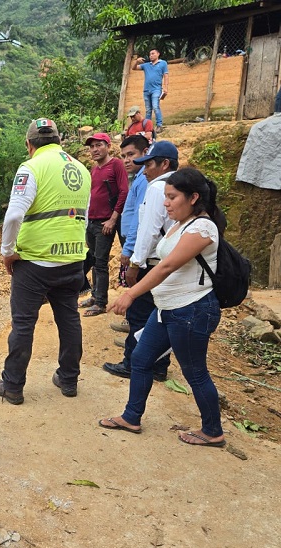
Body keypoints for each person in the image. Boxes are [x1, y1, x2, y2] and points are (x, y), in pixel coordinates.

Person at [100, 167, 226, 448]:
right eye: (165, 197)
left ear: (193, 197)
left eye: (172, 197)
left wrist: (131, 294)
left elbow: (167, 266)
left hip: (191, 310)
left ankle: (213, 431)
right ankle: (131, 417)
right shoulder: (181, 223)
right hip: (167, 308)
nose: (166, 203)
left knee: (195, 372)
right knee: (141, 359)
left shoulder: (203, 228)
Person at [0, 118, 89, 404]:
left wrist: (7, 251)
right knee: (69, 319)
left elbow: (13, 216)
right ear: (59, 140)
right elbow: (84, 216)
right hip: (72, 259)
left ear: (29, 144)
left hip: (35, 261)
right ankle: (69, 380)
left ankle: (13, 386)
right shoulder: (82, 170)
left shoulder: (31, 167)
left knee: (23, 324)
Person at [103, 140, 179, 383]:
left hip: (152, 263)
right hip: (170, 263)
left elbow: (148, 231)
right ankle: (159, 365)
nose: (145, 170)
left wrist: (135, 264)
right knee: (160, 315)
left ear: (164, 164)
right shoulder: (178, 186)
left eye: (149, 164)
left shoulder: (157, 189)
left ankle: (132, 363)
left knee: (139, 314)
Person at [80, 132, 128, 317]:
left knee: (100, 262)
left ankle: (100, 302)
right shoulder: (94, 169)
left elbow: (123, 192)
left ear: (108, 146)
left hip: (105, 223)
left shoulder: (116, 165)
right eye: (92, 147)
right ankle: (94, 295)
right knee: (93, 259)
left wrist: (113, 219)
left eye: (99, 145)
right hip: (91, 221)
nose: (94, 149)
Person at [134, 49, 169, 133]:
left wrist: (165, 87)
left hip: (156, 89)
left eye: (153, 53)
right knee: (148, 110)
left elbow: (166, 76)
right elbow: (134, 68)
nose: (151, 55)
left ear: (158, 54)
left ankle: (159, 125)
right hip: (146, 90)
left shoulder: (163, 63)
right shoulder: (146, 65)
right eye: (150, 54)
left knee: (156, 107)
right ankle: (147, 127)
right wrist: (137, 61)